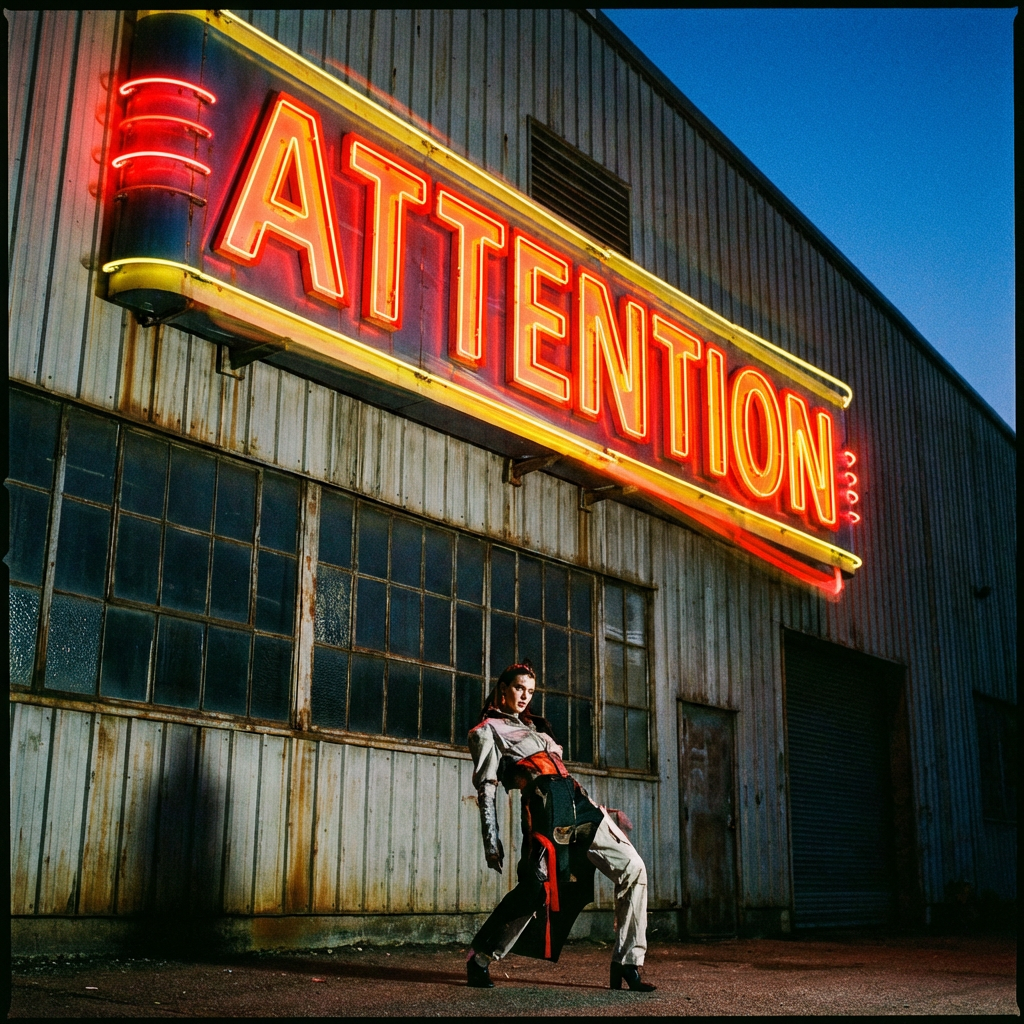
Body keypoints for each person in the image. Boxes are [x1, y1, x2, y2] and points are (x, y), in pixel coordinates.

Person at [465, 662, 655, 992]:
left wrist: (606, 811)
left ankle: (628, 963)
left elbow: (563, 779)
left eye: (530, 691)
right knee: (534, 891)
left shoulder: (538, 730)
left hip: (578, 806)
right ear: (503, 688)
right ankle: (479, 957)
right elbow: (487, 787)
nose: (525, 696)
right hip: (545, 814)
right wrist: (491, 840)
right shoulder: (487, 731)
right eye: (519, 688)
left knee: (634, 868)